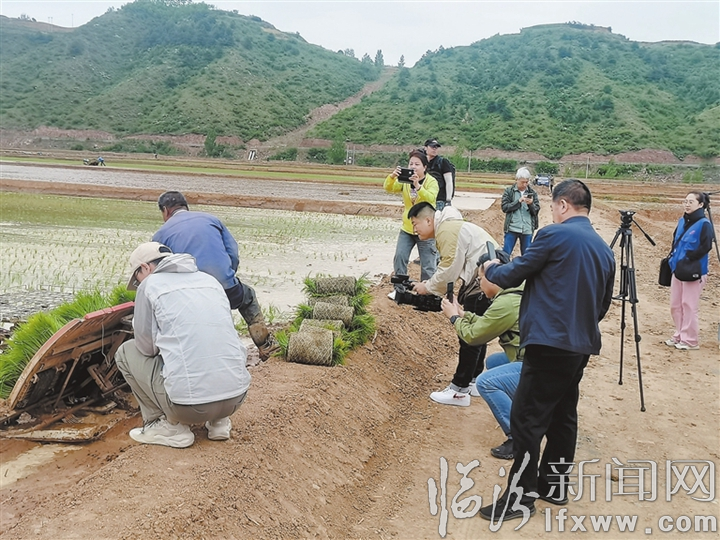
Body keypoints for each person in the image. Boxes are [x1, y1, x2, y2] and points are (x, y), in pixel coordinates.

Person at [479, 179, 615, 523]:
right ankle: (554, 487)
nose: (552, 213)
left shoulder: (553, 235)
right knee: (563, 416)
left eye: (554, 207)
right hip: (579, 346)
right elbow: (602, 306)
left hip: (549, 344)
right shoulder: (603, 248)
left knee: (526, 421)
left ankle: (519, 500)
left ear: (564, 205)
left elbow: (514, 274)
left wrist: (492, 269)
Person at [115, 242, 251, 448]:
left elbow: (146, 349)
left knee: (126, 351)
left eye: (136, 279)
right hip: (236, 399)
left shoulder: (150, 286)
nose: (137, 284)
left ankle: (165, 427)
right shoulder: (210, 281)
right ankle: (219, 422)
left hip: (189, 408)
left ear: (144, 268)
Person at [152, 191, 278, 360]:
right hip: (227, 289)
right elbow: (232, 253)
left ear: (165, 211)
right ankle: (265, 346)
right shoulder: (211, 220)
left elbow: (161, 271)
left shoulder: (160, 234)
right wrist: (227, 276)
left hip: (190, 297)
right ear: (186, 206)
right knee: (247, 298)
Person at [408, 201, 498, 407]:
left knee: (470, 336)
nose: (414, 229)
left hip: (483, 278)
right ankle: (474, 380)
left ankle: (459, 390)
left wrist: (427, 287)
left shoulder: (446, 230)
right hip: (487, 275)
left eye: (415, 224)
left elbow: (449, 268)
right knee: (478, 332)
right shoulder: (450, 226)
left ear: (429, 220)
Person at [384, 151, 439, 299]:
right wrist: (392, 176)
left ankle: (427, 293)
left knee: (428, 264)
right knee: (400, 257)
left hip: (426, 231)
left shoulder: (431, 181)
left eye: (417, 164)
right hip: (408, 228)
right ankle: (399, 289)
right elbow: (389, 188)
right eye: (411, 164)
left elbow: (431, 198)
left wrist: (418, 186)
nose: (413, 167)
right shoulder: (405, 181)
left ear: (424, 167)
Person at [665, 191, 713, 350]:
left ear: (701, 205)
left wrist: (690, 257)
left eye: (691, 202)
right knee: (675, 304)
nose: (686, 204)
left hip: (693, 270)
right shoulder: (681, 221)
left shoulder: (704, 224)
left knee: (689, 305)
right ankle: (679, 334)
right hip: (678, 268)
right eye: (685, 201)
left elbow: (706, 246)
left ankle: (690, 340)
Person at [501, 167, 540, 256]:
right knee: (505, 254)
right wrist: (518, 201)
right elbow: (505, 207)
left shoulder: (532, 193)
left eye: (527, 182)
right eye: (523, 182)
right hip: (512, 228)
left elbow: (536, 211)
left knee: (527, 256)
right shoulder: (509, 191)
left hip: (527, 229)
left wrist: (531, 204)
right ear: (517, 180)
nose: (525, 184)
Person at [424, 138, 455, 210]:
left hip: (439, 200)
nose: (434, 149)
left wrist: (448, 200)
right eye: (432, 147)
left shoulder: (443, 162)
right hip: (425, 198)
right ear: (425, 148)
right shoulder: (421, 162)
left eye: (436, 147)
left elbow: (449, 181)